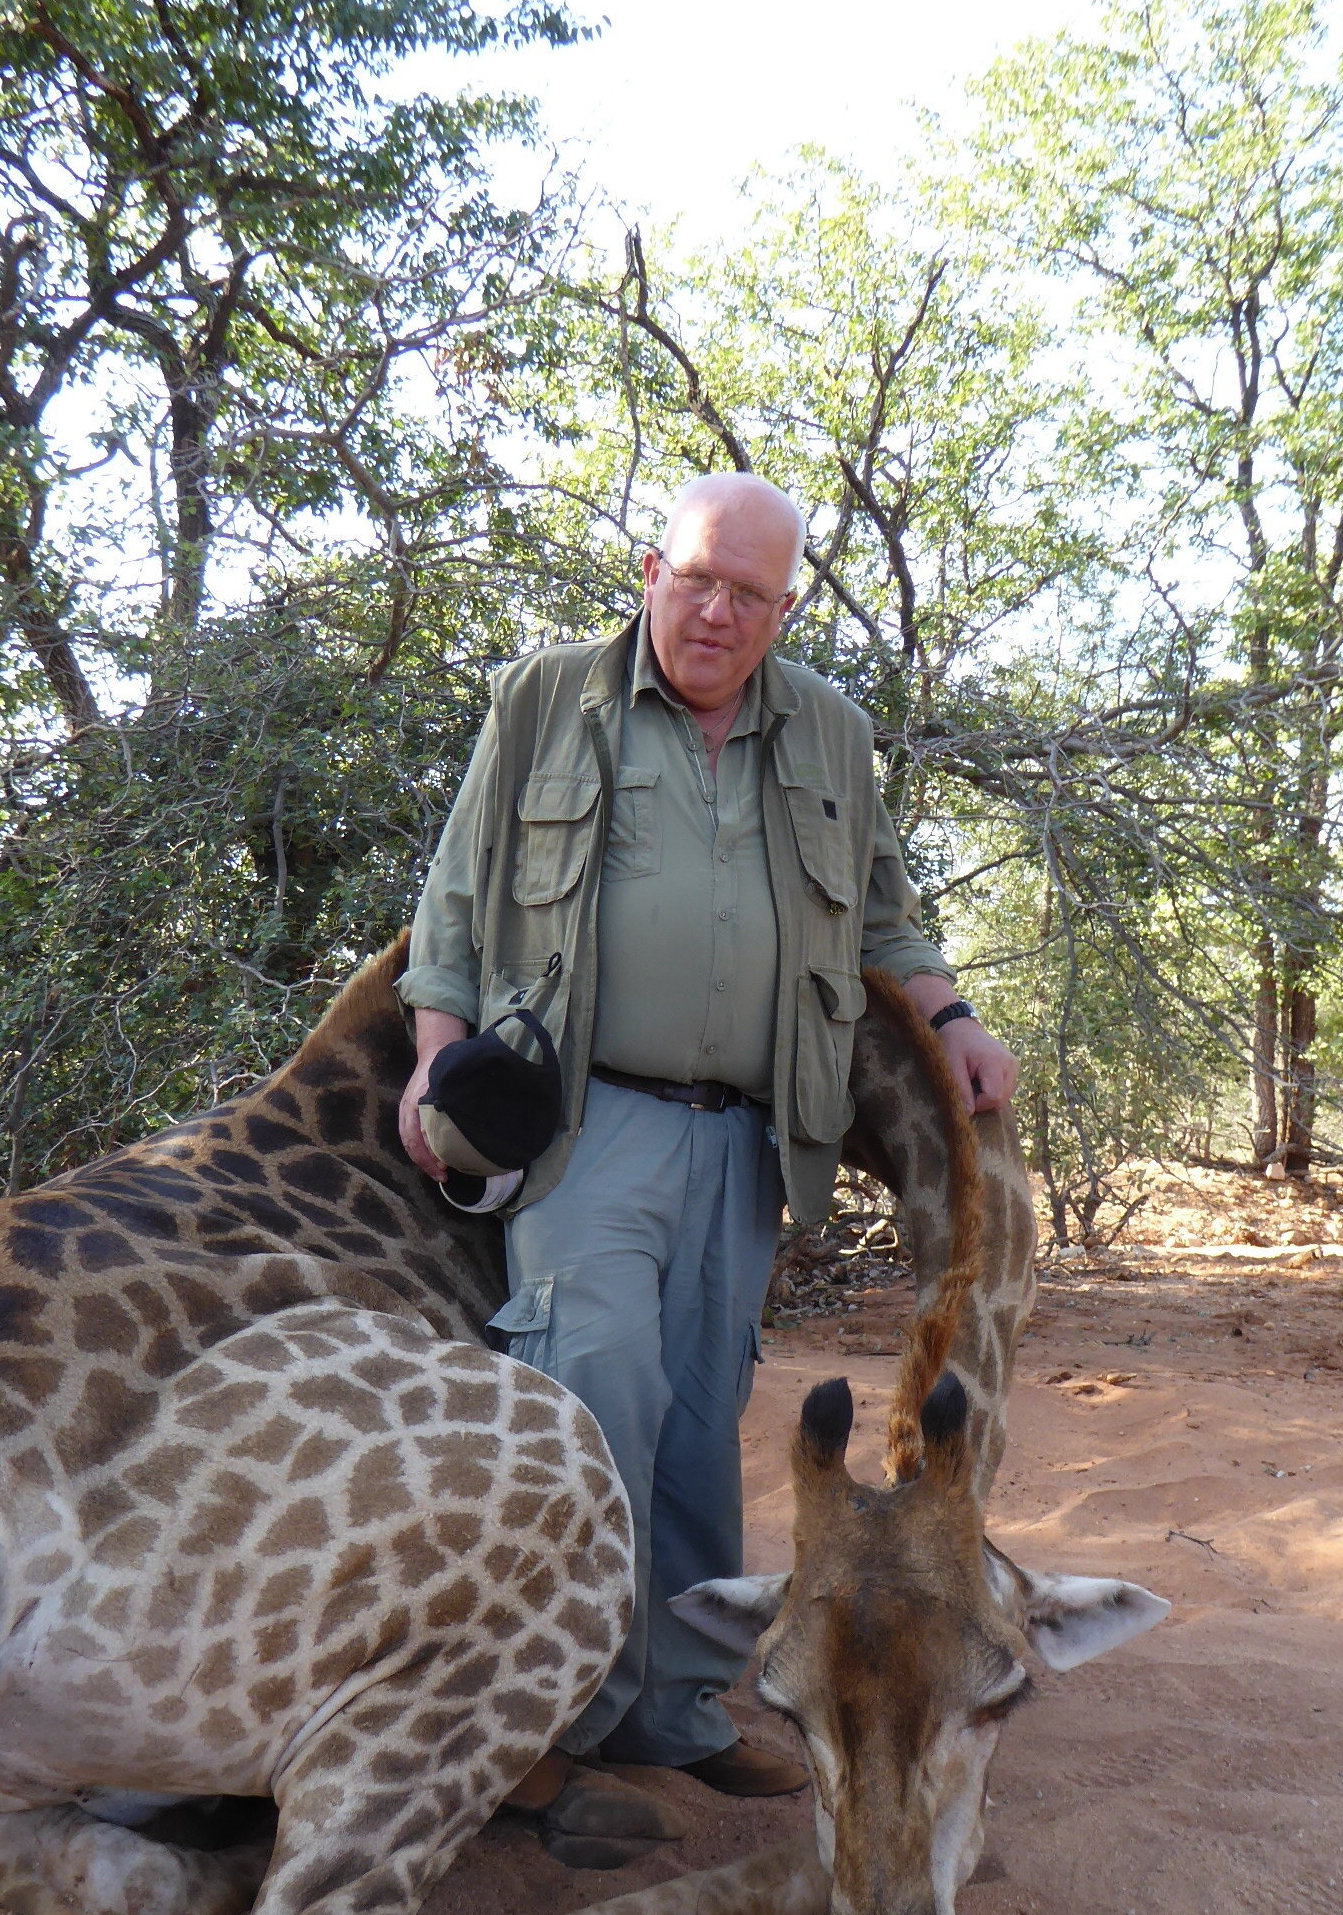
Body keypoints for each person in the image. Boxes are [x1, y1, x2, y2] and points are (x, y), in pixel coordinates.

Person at [397, 473, 1017, 1823]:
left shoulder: (835, 738)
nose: (718, 612)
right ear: (648, 571)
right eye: (698, 579)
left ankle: (670, 1717)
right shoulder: (545, 701)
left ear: (784, 608)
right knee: (594, 1393)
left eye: (751, 594)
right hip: (587, 1121)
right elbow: (453, 897)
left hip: (750, 1137)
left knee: (695, 1418)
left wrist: (955, 1021)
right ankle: (546, 1721)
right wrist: (439, 1054)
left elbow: (888, 925)